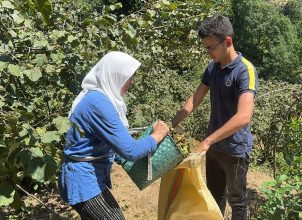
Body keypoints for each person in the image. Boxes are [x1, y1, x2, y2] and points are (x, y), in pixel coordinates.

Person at [58, 51, 169, 220]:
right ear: (115, 75)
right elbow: (130, 151)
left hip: (87, 177)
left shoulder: (100, 98)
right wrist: (156, 136)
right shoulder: (97, 103)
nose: (131, 82)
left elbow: (114, 146)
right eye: (129, 77)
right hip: (83, 182)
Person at [171, 15, 258, 220]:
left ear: (227, 42)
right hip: (213, 149)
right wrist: (172, 123)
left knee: (237, 200)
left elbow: (244, 116)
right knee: (213, 195)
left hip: (235, 150)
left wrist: (208, 140)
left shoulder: (245, 70)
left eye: (211, 47)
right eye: (205, 48)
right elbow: (195, 98)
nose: (208, 52)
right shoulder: (212, 68)